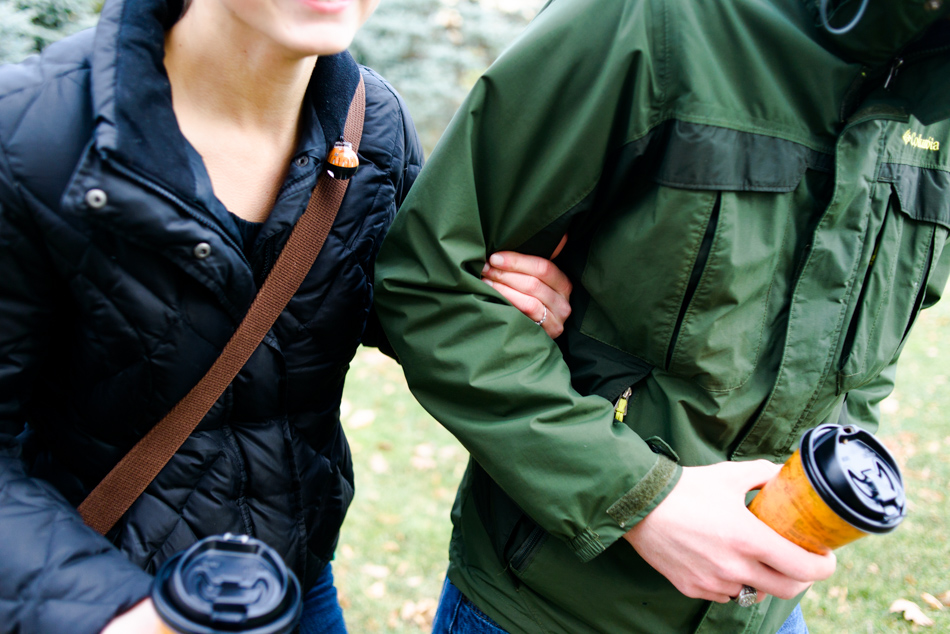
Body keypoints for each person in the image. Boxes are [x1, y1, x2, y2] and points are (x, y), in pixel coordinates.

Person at [373, 0, 950, 632]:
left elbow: (867, 365)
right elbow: (433, 280)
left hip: (764, 617)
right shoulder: (651, 18)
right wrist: (638, 498)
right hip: (548, 608)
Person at [0, 0, 574, 632]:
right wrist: (103, 607)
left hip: (294, 588)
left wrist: (496, 299)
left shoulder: (372, 125)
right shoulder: (30, 131)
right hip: (91, 588)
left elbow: (389, 304)